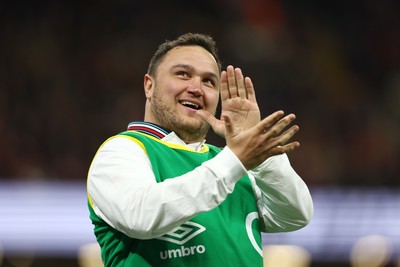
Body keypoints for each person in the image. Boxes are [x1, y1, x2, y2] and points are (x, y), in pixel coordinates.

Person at [87, 33, 313, 267]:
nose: (196, 88)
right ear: (149, 86)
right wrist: (235, 159)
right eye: (183, 74)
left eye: (209, 81)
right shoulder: (121, 151)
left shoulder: (232, 163)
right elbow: (142, 216)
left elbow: (295, 215)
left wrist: (258, 152)